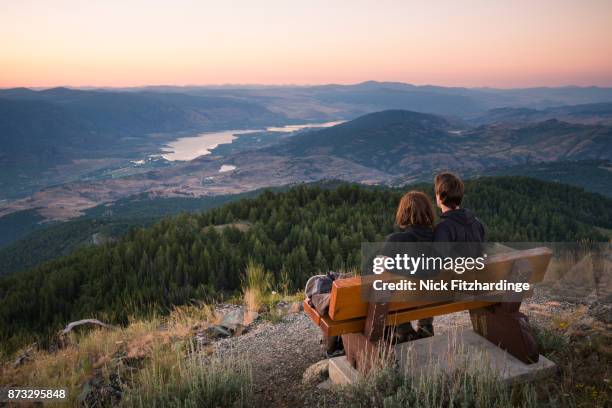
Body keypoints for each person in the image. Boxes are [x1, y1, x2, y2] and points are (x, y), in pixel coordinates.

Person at [384, 190, 435, 341]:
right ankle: (425, 326)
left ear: (403, 213)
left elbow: (375, 274)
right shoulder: (440, 237)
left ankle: (404, 330)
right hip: (431, 299)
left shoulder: (396, 240)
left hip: (402, 302)